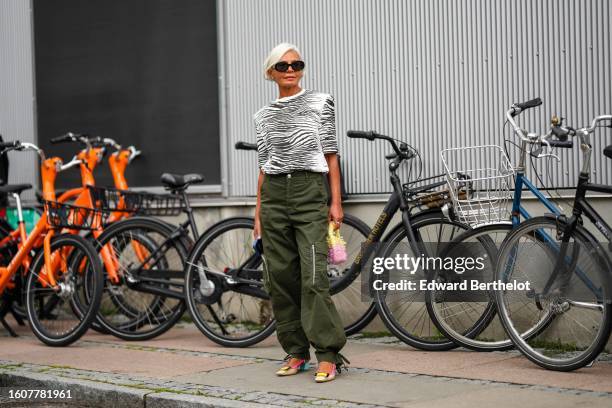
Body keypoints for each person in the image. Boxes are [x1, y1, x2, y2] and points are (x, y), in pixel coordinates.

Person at [253, 42, 348, 383]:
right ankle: (295, 352)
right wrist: (258, 213)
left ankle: (328, 353)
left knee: (313, 277)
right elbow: (264, 166)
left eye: (296, 63)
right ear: (271, 72)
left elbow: (331, 154)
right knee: (280, 277)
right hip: (275, 193)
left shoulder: (321, 102)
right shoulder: (262, 116)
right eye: (283, 65)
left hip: (310, 190)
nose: (291, 69)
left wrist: (335, 202)